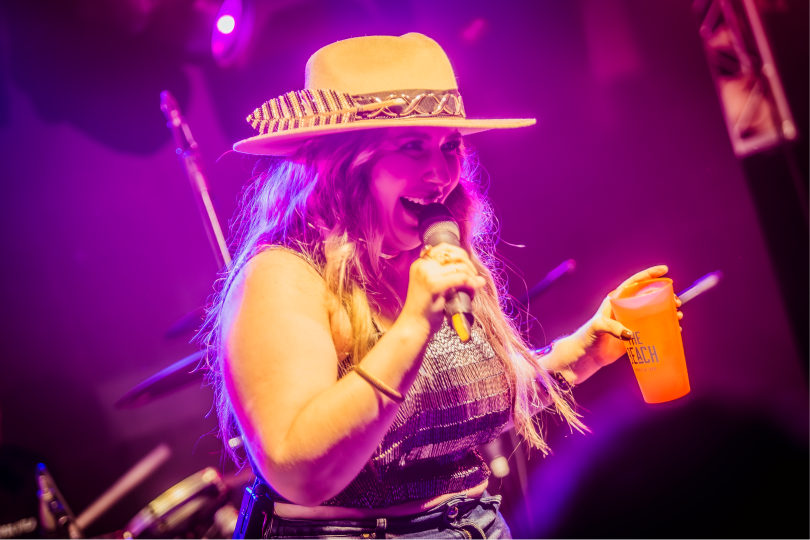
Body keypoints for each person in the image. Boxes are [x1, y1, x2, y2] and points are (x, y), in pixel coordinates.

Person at [199, 33, 683, 539]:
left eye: (450, 146)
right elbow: (299, 473)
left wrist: (583, 351)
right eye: (412, 146)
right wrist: (414, 326)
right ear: (343, 163)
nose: (441, 172)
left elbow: (451, 408)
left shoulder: (426, 256)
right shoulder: (283, 275)